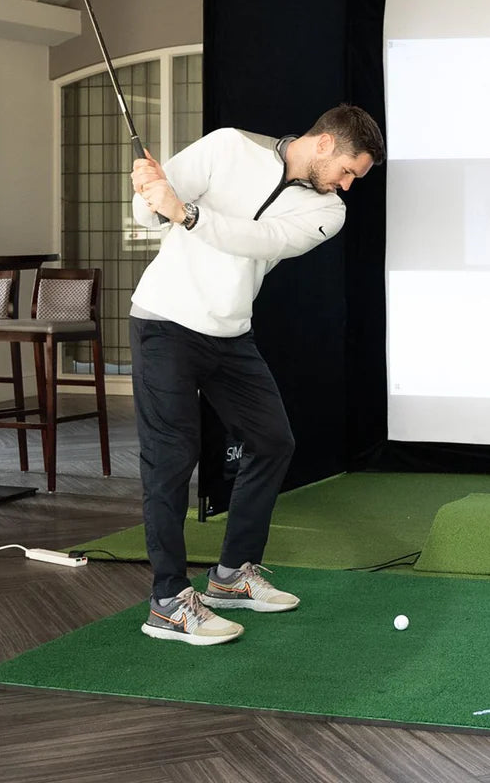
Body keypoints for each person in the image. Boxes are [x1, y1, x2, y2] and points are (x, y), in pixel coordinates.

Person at [129, 104, 385, 645]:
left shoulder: (328, 212)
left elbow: (260, 241)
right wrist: (149, 191)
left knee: (272, 441)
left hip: (229, 331)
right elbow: (148, 212)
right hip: (166, 321)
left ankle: (230, 577)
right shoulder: (226, 147)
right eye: (347, 171)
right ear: (323, 144)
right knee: (172, 456)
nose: (347, 184)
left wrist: (187, 213)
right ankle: (168, 602)